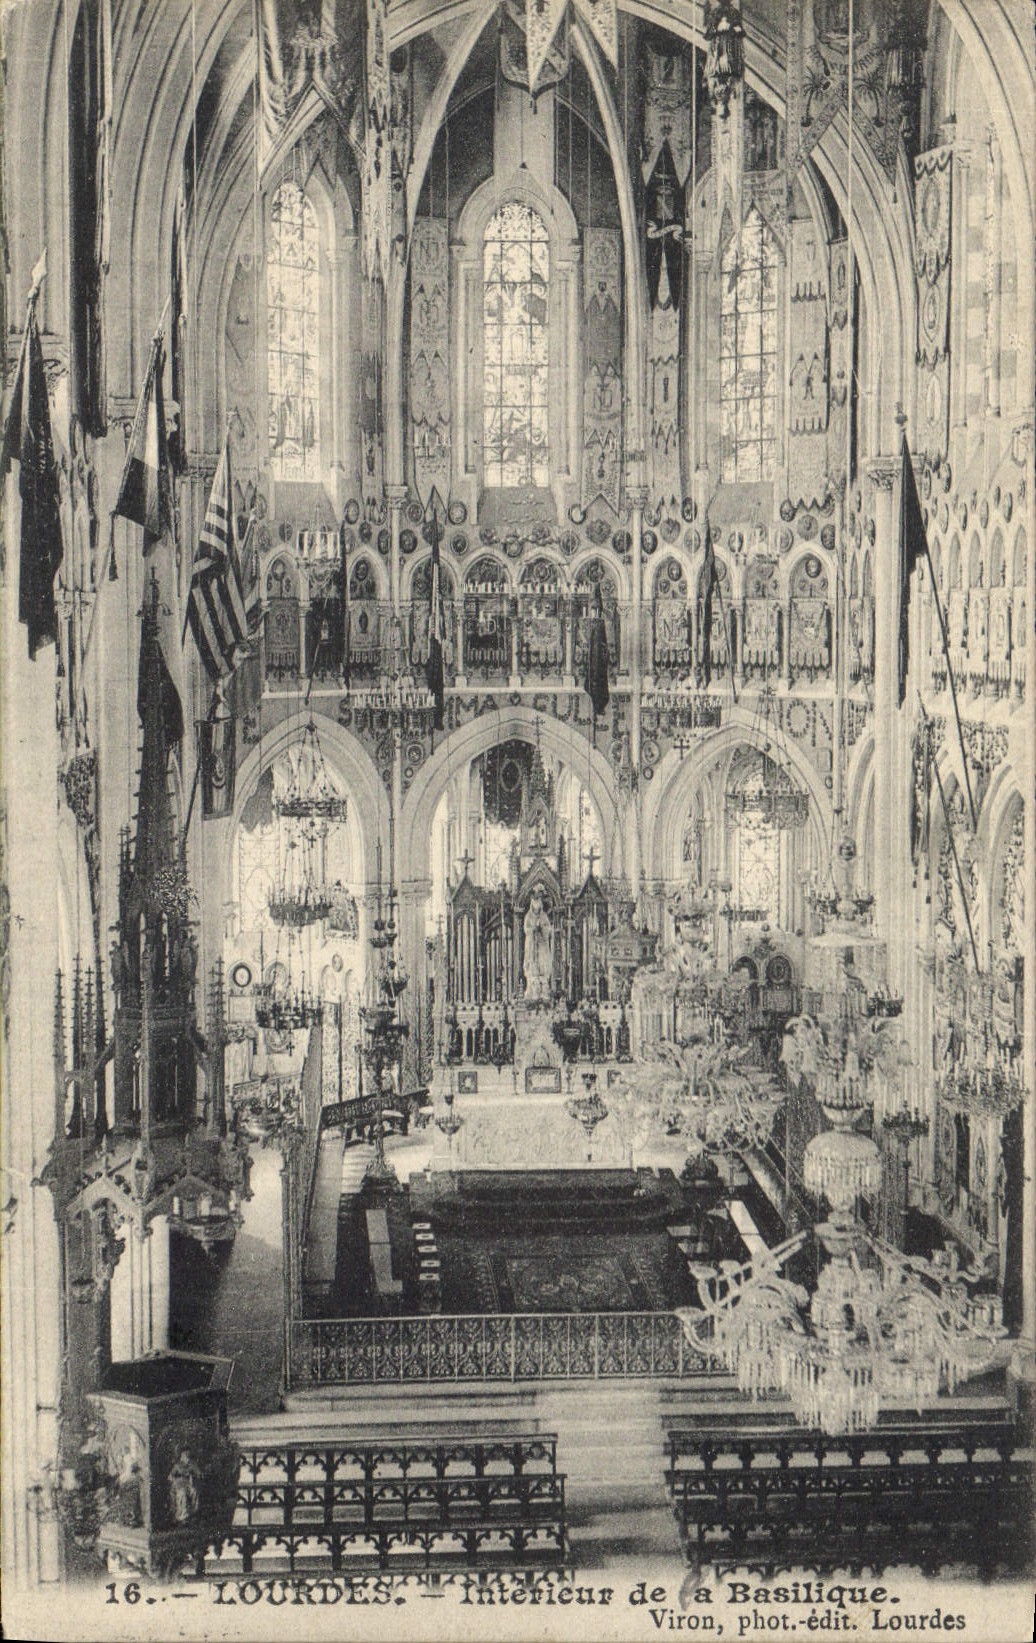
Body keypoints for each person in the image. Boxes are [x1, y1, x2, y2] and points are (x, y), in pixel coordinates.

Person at [522, 889, 553, 1003]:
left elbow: (548, 929)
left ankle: (544, 986)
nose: (537, 909)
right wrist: (534, 928)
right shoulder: (528, 916)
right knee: (532, 964)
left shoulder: (544, 916)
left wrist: (543, 929)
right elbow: (526, 929)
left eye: (538, 907)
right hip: (532, 945)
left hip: (542, 944)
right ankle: (533, 986)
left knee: (543, 963)